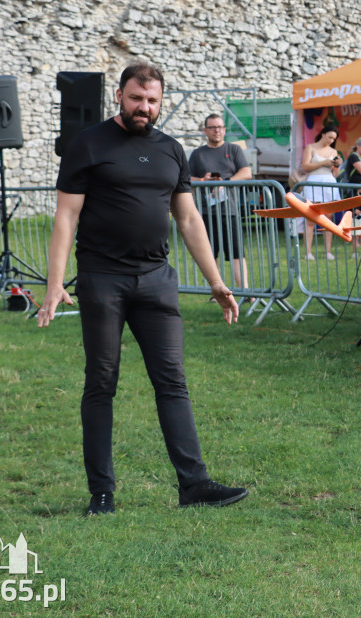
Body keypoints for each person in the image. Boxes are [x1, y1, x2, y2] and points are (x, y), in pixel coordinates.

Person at [37, 62, 248, 515]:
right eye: (136, 99)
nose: (144, 108)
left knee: (172, 381)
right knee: (101, 382)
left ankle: (194, 485)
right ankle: (102, 494)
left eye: (152, 101)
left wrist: (216, 281)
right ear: (119, 95)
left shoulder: (172, 150)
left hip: (157, 280)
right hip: (102, 279)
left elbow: (188, 219)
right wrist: (55, 283)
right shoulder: (88, 144)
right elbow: (66, 217)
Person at [188, 113, 251, 290]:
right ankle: (217, 291)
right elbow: (186, 178)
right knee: (209, 253)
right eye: (213, 127)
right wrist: (203, 180)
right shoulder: (198, 154)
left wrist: (225, 182)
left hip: (230, 211)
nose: (217, 130)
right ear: (205, 131)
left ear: (224, 130)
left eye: (220, 127)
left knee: (237, 253)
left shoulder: (234, 149)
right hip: (205, 212)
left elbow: (246, 172)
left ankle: (245, 291)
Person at [299, 126, 342, 261]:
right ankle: (308, 252)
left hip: (329, 182)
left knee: (328, 219)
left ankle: (328, 252)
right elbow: (304, 166)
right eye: (329, 137)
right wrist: (323, 162)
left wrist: (337, 165)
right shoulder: (310, 148)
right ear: (323, 134)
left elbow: (335, 173)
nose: (331, 140)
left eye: (333, 139)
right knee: (311, 219)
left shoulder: (334, 151)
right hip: (313, 182)